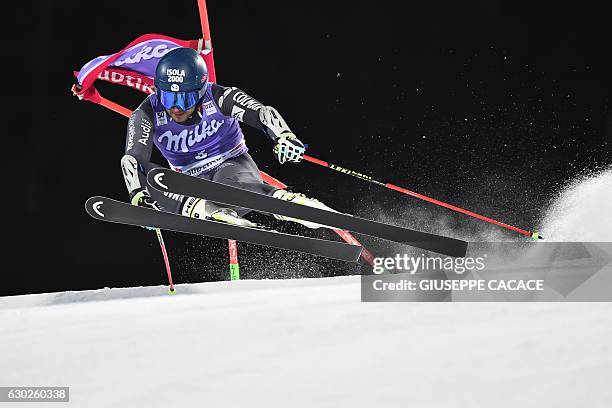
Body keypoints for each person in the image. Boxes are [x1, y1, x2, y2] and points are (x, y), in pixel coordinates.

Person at [121, 47, 332, 228]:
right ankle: (211, 212)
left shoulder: (220, 96)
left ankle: (287, 203)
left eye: (185, 99)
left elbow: (261, 113)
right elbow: (132, 160)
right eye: (168, 97)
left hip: (231, 162)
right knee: (155, 178)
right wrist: (138, 196)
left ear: (201, 91)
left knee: (227, 182)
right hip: (189, 180)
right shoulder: (146, 113)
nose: (176, 108)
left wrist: (284, 136)